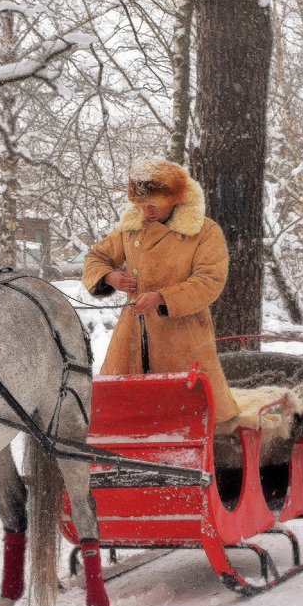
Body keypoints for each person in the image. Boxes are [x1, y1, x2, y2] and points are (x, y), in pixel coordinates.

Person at [82, 158, 239, 422]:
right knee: (121, 416)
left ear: (175, 199)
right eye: (142, 205)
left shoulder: (205, 232)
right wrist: (110, 277)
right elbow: (95, 257)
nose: (148, 211)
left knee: (188, 415)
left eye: (155, 204)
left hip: (183, 340)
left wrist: (162, 297)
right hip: (130, 338)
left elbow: (209, 280)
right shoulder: (131, 230)